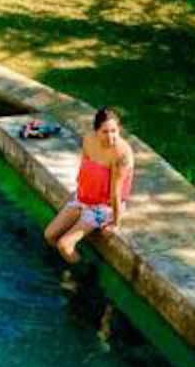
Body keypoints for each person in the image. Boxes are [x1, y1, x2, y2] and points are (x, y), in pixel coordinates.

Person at [42, 108, 135, 262]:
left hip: (105, 206)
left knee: (64, 245)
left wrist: (116, 223)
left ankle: (81, 274)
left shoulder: (121, 155)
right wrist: (80, 193)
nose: (111, 137)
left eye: (114, 131)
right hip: (83, 197)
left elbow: (116, 193)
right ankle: (68, 262)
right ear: (96, 131)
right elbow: (84, 166)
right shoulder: (89, 140)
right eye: (105, 132)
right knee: (49, 235)